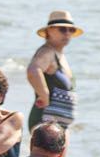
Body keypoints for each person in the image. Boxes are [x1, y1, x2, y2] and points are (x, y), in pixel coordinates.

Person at [25, 12, 79, 140]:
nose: (67, 33)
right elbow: (33, 71)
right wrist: (44, 95)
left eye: (70, 30)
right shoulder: (47, 52)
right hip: (46, 121)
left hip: (60, 124)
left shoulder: (60, 55)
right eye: (62, 29)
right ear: (49, 31)